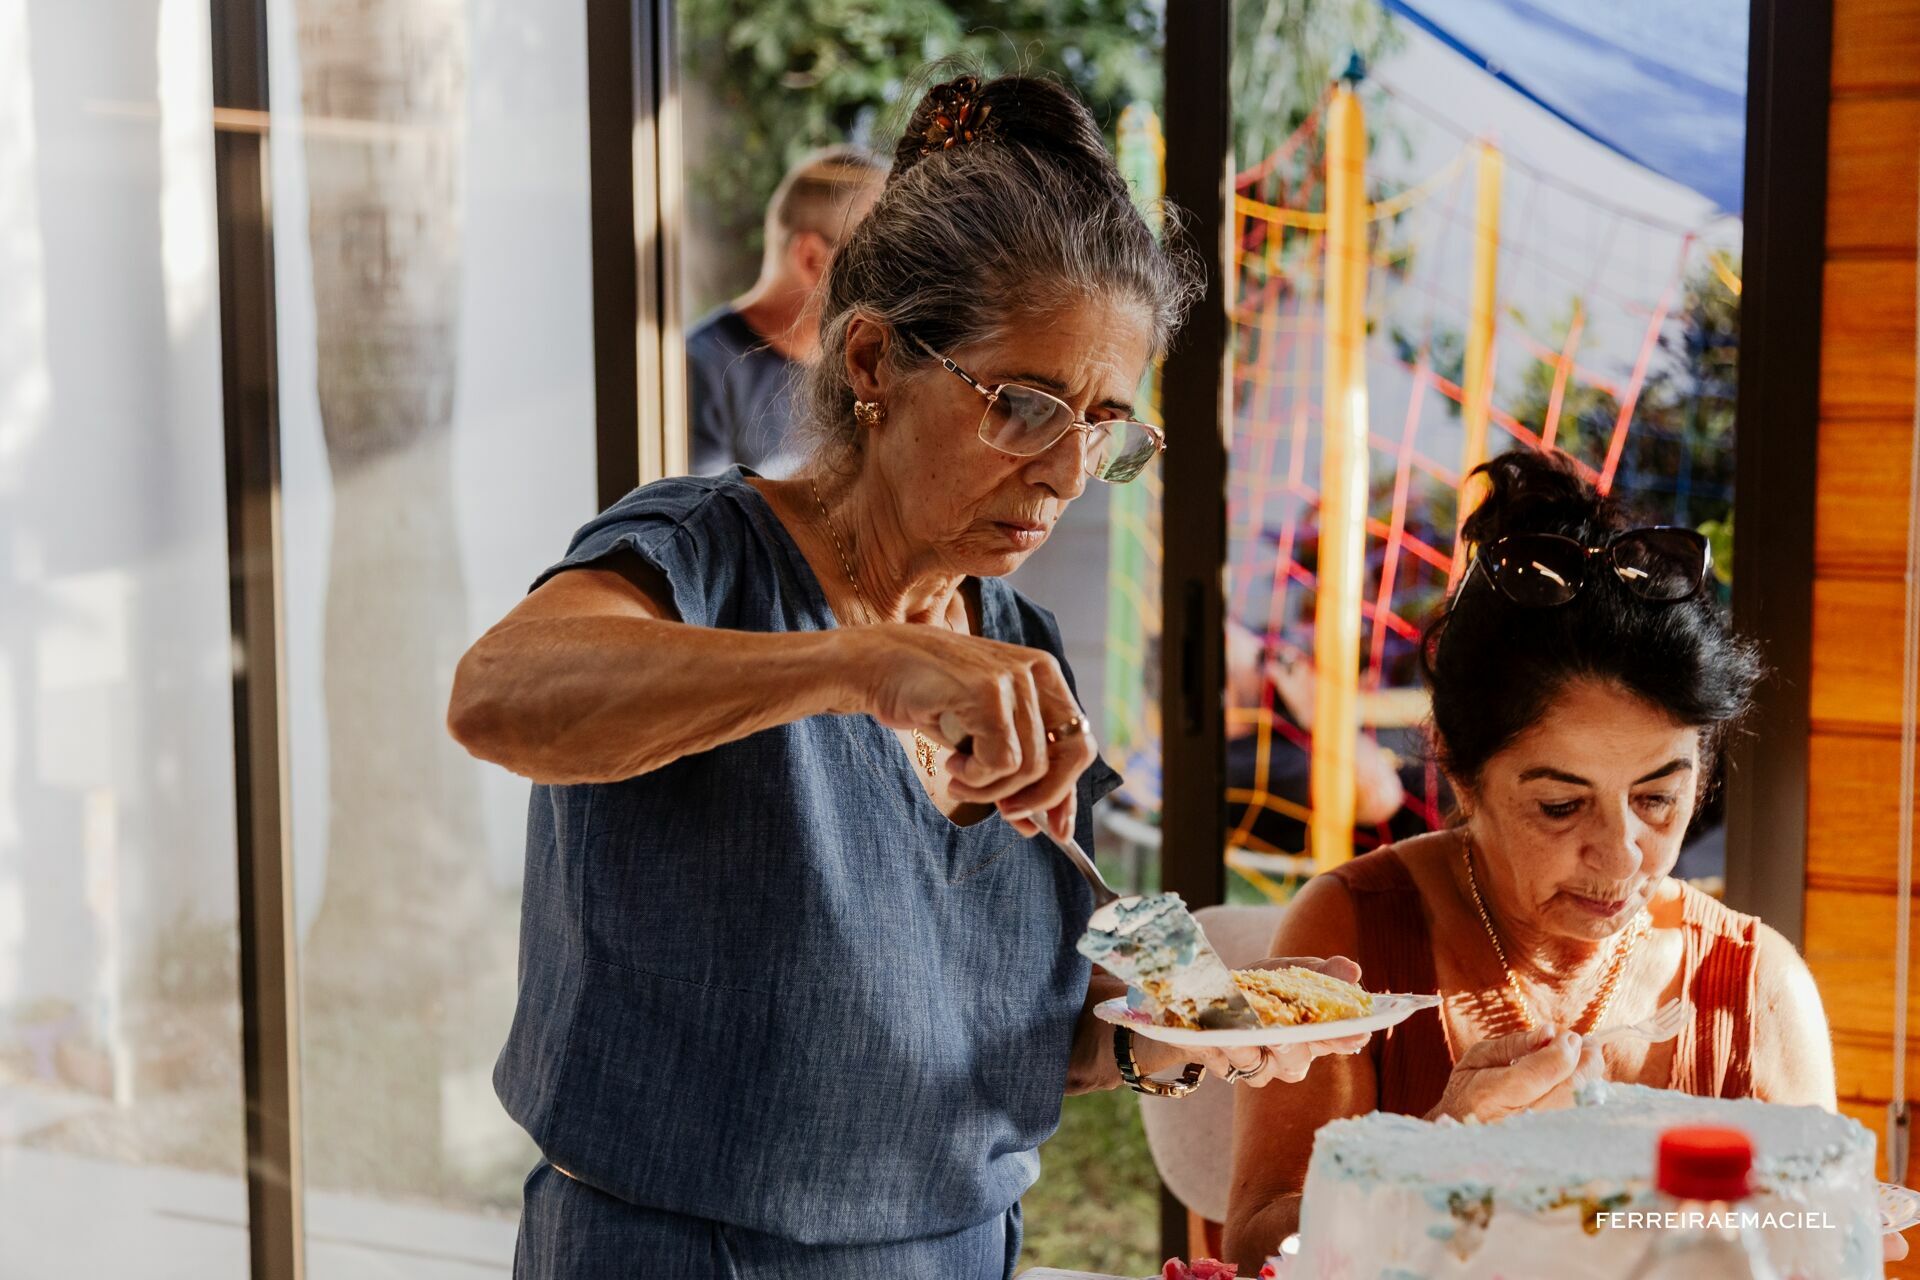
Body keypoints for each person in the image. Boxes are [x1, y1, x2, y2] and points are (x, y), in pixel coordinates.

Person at [449, 73, 1364, 1280]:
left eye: (1105, 426)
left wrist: (1192, 1028)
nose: (1068, 473)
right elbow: (500, 693)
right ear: (874, 359)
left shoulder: (1019, 639)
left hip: (963, 1252)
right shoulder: (703, 559)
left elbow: (1022, 1033)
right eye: (1027, 406)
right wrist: (857, 661)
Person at [1223, 449, 1839, 1271]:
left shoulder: (1753, 989)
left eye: (1658, 797)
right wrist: (1436, 1163)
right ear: (1458, 768)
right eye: (1560, 805)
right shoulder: (1356, 934)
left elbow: (1824, 1248)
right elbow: (1262, 1242)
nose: (1622, 854)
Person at [686, 145, 886, 477]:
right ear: (811, 259)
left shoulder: (858, 372)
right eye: (875, 260)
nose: (891, 286)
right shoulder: (700, 367)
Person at [1224, 618, 1437, 853]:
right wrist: (1317, 713)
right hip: (1434, 843)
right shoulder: (1250, 768)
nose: (1285, 657)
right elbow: (1382, 794)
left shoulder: (1274, 727)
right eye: (1265, 657)